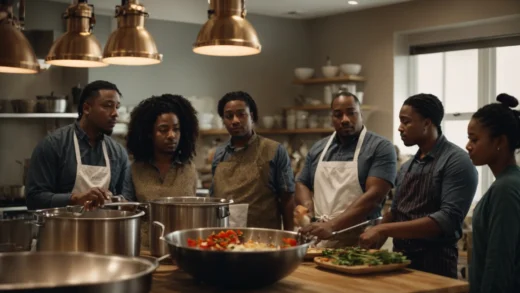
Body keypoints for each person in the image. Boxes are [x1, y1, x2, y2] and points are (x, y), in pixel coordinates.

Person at [359, 93, 478, 279]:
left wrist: (382, 230)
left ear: (427, 123)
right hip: (401, 261)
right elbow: (395, 212)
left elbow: (446, 219)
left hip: (436, 264)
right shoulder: (407, 166)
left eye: (406, 122)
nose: (400, 128)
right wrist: (371, 245)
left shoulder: (456, 161)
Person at [297, 91, 397, 248]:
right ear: (332, 118)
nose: (345, 119)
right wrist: (307, 206)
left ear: (360, 114)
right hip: (320, 237)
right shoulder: (319, 148)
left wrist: (332, 225)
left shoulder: (380, 147)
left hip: (361, 239)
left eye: (351, 113)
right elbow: (302, 182)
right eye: (338, 115)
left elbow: (374, 197)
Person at [26, 80, 130, 210]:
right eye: (108, 106)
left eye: (117, 107)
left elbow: (125, 199)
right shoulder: (53, 145)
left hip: (105, 229)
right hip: (63, 229)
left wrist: (122, 202)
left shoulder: (118, 153)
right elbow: (34, 199)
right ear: (86, 108)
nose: (115, 113)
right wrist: (75, 199)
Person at [211, 91, 295, 230]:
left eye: (241, 114)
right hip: (224, 238)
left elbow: (287, 198)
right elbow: (214, 199)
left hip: (263, 239)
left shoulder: (274, 150)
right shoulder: (219, 154)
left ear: (252, 116)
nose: (235, 120)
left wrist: (290, 238)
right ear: (224, 121)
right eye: (229, 116)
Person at [466, 93, 520, 293]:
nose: (468, 146)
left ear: (500, 142)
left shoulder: (506, 189)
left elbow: (499, 262)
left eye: (474, 139)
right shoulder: (507, 183)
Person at [123, 94, 199, 202]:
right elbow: (128, 206)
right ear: (149, 133)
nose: (171, 135)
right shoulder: (135, 170)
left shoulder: (188, 168)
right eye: (163, 130)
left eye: (176, 129)